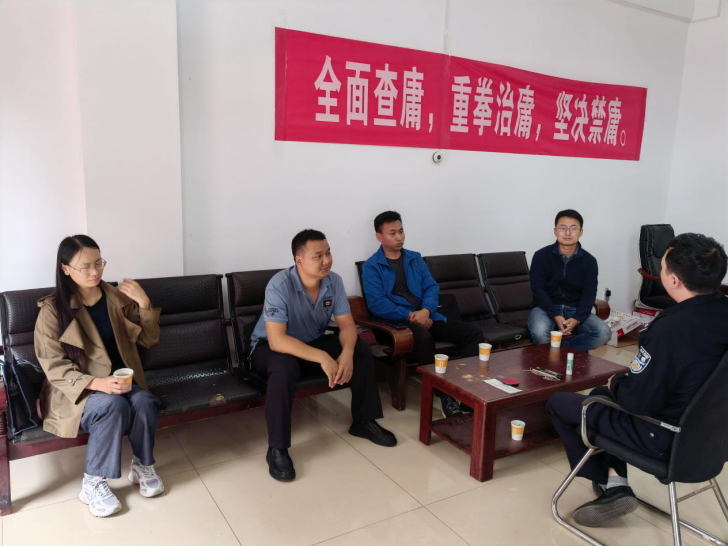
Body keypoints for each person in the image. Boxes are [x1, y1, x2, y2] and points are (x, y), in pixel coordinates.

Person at [547, 233, 728, 527]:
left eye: (663, 266)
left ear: (673, 280)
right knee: (600, 395)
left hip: (664, 439)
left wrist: (616, 383)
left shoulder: (670, 329)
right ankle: (615, 483)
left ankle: (610, 485)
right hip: (713, 440)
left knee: (561, 403)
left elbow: (637, 402)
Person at [250, 229, 396, 482]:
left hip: (310, 344)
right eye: (318, 256)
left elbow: (347, 326)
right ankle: (277, 448)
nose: (327, 260)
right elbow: (277, 340)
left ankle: (364, 422)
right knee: (284, 367)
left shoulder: (333, 282)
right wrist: (322, 357)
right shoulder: (279, 285)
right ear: (299, 260)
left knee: (360, 349)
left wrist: (346, 353)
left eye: (328, 253)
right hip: (270, 349)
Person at [34, 235, 163, 518]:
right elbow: (53, 366)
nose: (94, 272)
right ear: (65, 269)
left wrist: (144, 304)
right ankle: (93, 482)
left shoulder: (117, 299)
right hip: (75, 391)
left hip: (119, 382)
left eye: (99, 263)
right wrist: (95, 383)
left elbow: (149, 340)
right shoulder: (53, 310)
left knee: (145, 401)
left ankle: (142, 465)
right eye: (85, 266)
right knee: (111, 405)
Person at [361, 211, 485, 418]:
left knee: (473, 333)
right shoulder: (371, 266)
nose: (399, 237)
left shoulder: (414, 258)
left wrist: (426, 311)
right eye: (393, 233)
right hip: (396, 324)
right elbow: (377, 304)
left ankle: (466, 392)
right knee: (424, 339)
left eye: (401, 231)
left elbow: (431, 287)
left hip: (426, 316)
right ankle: (446, 397)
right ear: (379, 237)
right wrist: (412, 315)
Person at [528, 209, 612, 352]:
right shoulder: (541, 256)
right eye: (563, 228)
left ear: (581, 232)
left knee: (604, 332)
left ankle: (562, 352)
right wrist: (555, 314)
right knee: (540, 331)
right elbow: (538, 290)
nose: (567, 233)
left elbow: (589, 294)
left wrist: (577, 318)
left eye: (573, 228)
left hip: (574, 308)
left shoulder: (589, 261)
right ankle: (554, 357)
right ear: (555, 231)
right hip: (544, 308)